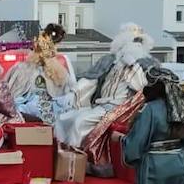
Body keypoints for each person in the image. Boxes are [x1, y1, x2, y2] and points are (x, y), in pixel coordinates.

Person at [54, 23, 158, 171]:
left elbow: (142, 87)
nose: (135, 46)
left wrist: (134, 65)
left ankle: (76, 164)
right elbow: (91, 79)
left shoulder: (141, 66)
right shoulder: (111, 62)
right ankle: (61, 156)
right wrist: (74, 91)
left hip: (117, 109)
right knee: (65, 118)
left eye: (138, 42)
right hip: (100, 106)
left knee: (79, 122)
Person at [4, 23, 77, 124]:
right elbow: (71, 100)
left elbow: (7, 99)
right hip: (56, 129)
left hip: (28, 129)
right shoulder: (62, 74)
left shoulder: (21, 70)